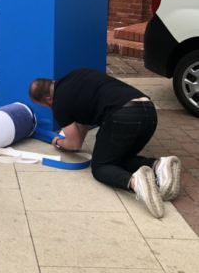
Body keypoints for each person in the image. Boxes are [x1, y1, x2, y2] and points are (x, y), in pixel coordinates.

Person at [29, 68, 182, 218]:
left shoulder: (59, 103)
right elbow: (82, 127)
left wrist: (59, 143)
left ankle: (136, 183)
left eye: (44, 105)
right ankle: (158, 165)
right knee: (116, 158)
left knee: (100, 167)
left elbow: (74, 144)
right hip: (149, 113)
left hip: (124, 117)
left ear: (48, 99)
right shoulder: (76, 75)